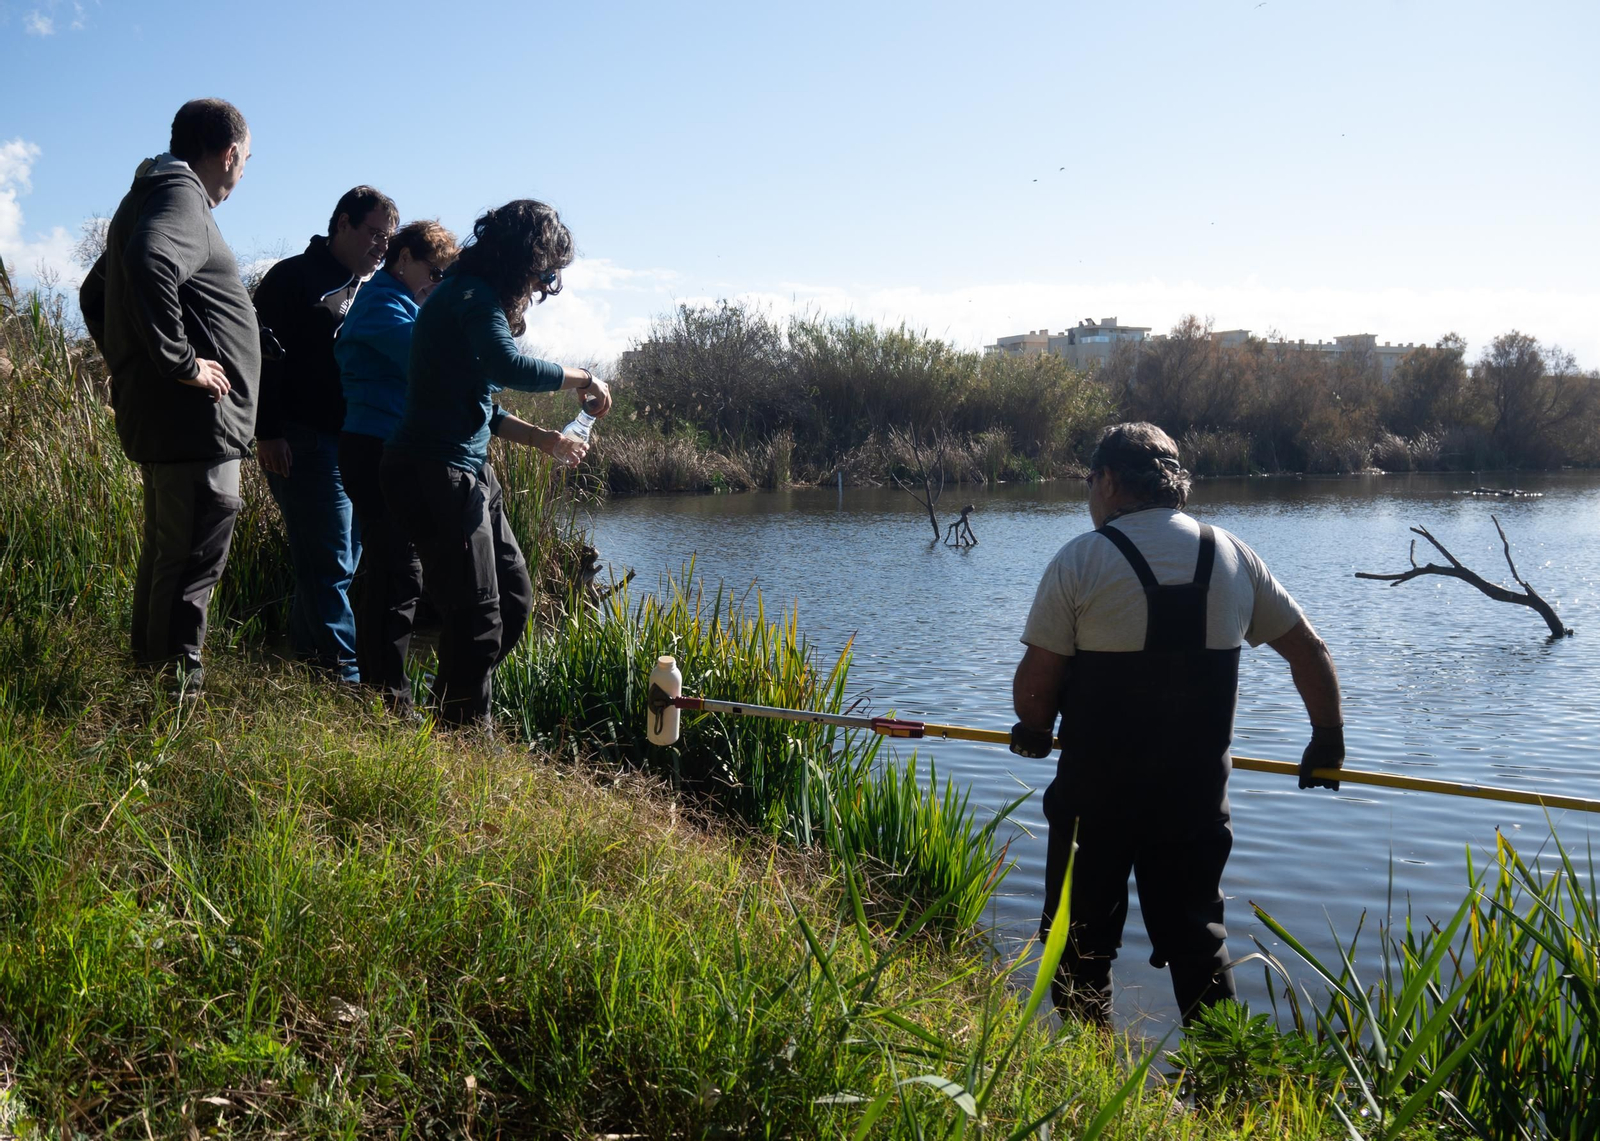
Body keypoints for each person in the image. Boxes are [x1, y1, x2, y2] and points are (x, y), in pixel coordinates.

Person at [1009, 422, 1345, 1027]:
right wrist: (1327, 739)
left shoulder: (1082, 560)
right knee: (1199, 948)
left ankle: (1094, 1084)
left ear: (1109, 482)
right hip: (1193, 805)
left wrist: (1033, 730)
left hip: (1095, 804)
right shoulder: (1232, 555)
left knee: (1081, 947)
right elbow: (1309, 651)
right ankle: (1223, 1091)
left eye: (1089, 482)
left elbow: (1036, 687)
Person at [380, 199, 611, 728]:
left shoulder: (465, 296)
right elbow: (508, 364)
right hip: (433, 472)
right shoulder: (470, 294)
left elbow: (483, 406)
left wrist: (548, 440)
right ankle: (464, 742)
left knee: (512, 600)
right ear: (521, 259)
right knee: (478, 616)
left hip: (466, 471)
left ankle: (446, 717)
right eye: (541, 273)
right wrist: (584, 378)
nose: (540, 287)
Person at [78, 97, 259, 692]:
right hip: (196, 428)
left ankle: (145, 690)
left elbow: (94, 292)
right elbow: (151, 260)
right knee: (190, 566)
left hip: (173, 424)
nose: (240, 175)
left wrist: (134, 365)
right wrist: (181, 365)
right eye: (244, 161)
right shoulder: (180, 198)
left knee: (167, 558)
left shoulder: (148, 195)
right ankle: (169, 705)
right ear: (228, 153)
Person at [252, 185, 399, 681]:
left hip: (356, 447)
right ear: (341, 223)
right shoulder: (291, 278)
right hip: (301, 440)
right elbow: (259, 361)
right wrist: (267, 432)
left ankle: (305, 667)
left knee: (331, 566)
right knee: (331, 565)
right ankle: (347, 680)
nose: (382, 245)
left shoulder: (375, 291)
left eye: (389, 237)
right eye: (373, 232)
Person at [335, 219, 459, 712]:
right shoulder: (383, 304)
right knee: (397, 570)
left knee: (396, 568)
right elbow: (427, 358)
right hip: (371, 449)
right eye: (434, 270)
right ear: (403, 258)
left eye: (444, 276)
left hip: (383, 449)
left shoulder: (402, 304)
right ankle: (387, 702)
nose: (436, 281)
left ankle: (382, 696)